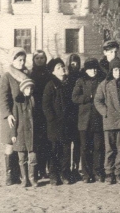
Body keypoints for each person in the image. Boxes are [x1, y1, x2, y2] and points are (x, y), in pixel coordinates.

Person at [94, 56, 120, 185]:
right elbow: (97, 100)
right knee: (109, 149)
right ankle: (109, 172)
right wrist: (105, 112)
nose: (118, 72)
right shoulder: (104, 84)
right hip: (109, 122)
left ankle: (118, 172)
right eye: (115, 70)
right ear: (111, 71)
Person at [42, 58, 77, 186]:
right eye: (58, 68)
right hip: (54, 125)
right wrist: (52, 119)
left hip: (67, 123)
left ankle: (65, 173)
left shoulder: (69, 83)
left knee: (66, 150)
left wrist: (71, 117)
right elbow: (46, 105)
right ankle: (53, 174)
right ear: (53, 72)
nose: (62, 69)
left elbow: (73, 102)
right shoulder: (50, 85)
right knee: (54, 149)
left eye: (62, 66)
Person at [0, 47, 29, 186]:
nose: (22, 62)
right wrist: (7, 114)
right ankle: (10, 175)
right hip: (11, 116)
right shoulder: (7, 76)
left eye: (24, 60)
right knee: (10, 143)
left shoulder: (26, 75)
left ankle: (20, 173)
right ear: (13, 60)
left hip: (24, 115)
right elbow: (2, 98)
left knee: (21, 144)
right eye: (19, 60)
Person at [72, 58, 105, 183]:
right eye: (91, 69)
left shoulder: (101, 80)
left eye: (95, 68)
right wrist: (88, 97)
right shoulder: (81, 81)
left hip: (97, 118)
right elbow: (74, 97)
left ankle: (97, 172)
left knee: (98, 146)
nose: (94, 71)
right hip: (84, 120)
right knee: (85, 147)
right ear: (86, 70)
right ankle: (86, 173)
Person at [11, 77, 38, 188]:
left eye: (31, 89)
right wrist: (13, 134)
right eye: (27, 88)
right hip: (21, 133)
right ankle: (24, 179)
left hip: (32, 134)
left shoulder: (34, 101)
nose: (29, 91)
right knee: (22, 159)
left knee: (33, 158)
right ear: (22, 89)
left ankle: (32, 178)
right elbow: (14, 119)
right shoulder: (18, 102)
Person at [29, 50, 51, 180]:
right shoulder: (31, 74)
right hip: (35, 111)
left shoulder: (49, 73)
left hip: (46, 111)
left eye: (42, 58)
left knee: (46, 142)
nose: (40, 60)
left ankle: (44, 169)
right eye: (37, 58)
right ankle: (36, 170)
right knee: (36, 142)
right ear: (33, 60)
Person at [65, 53, 83, 181]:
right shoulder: (65, 78)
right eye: (72, 63)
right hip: (68, 114)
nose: (74, 65)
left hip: (79, 113)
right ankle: (66, 169)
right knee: (67, 143)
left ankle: (75, 168)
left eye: (76, 63)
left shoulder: (81, 77)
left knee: (78, 143)